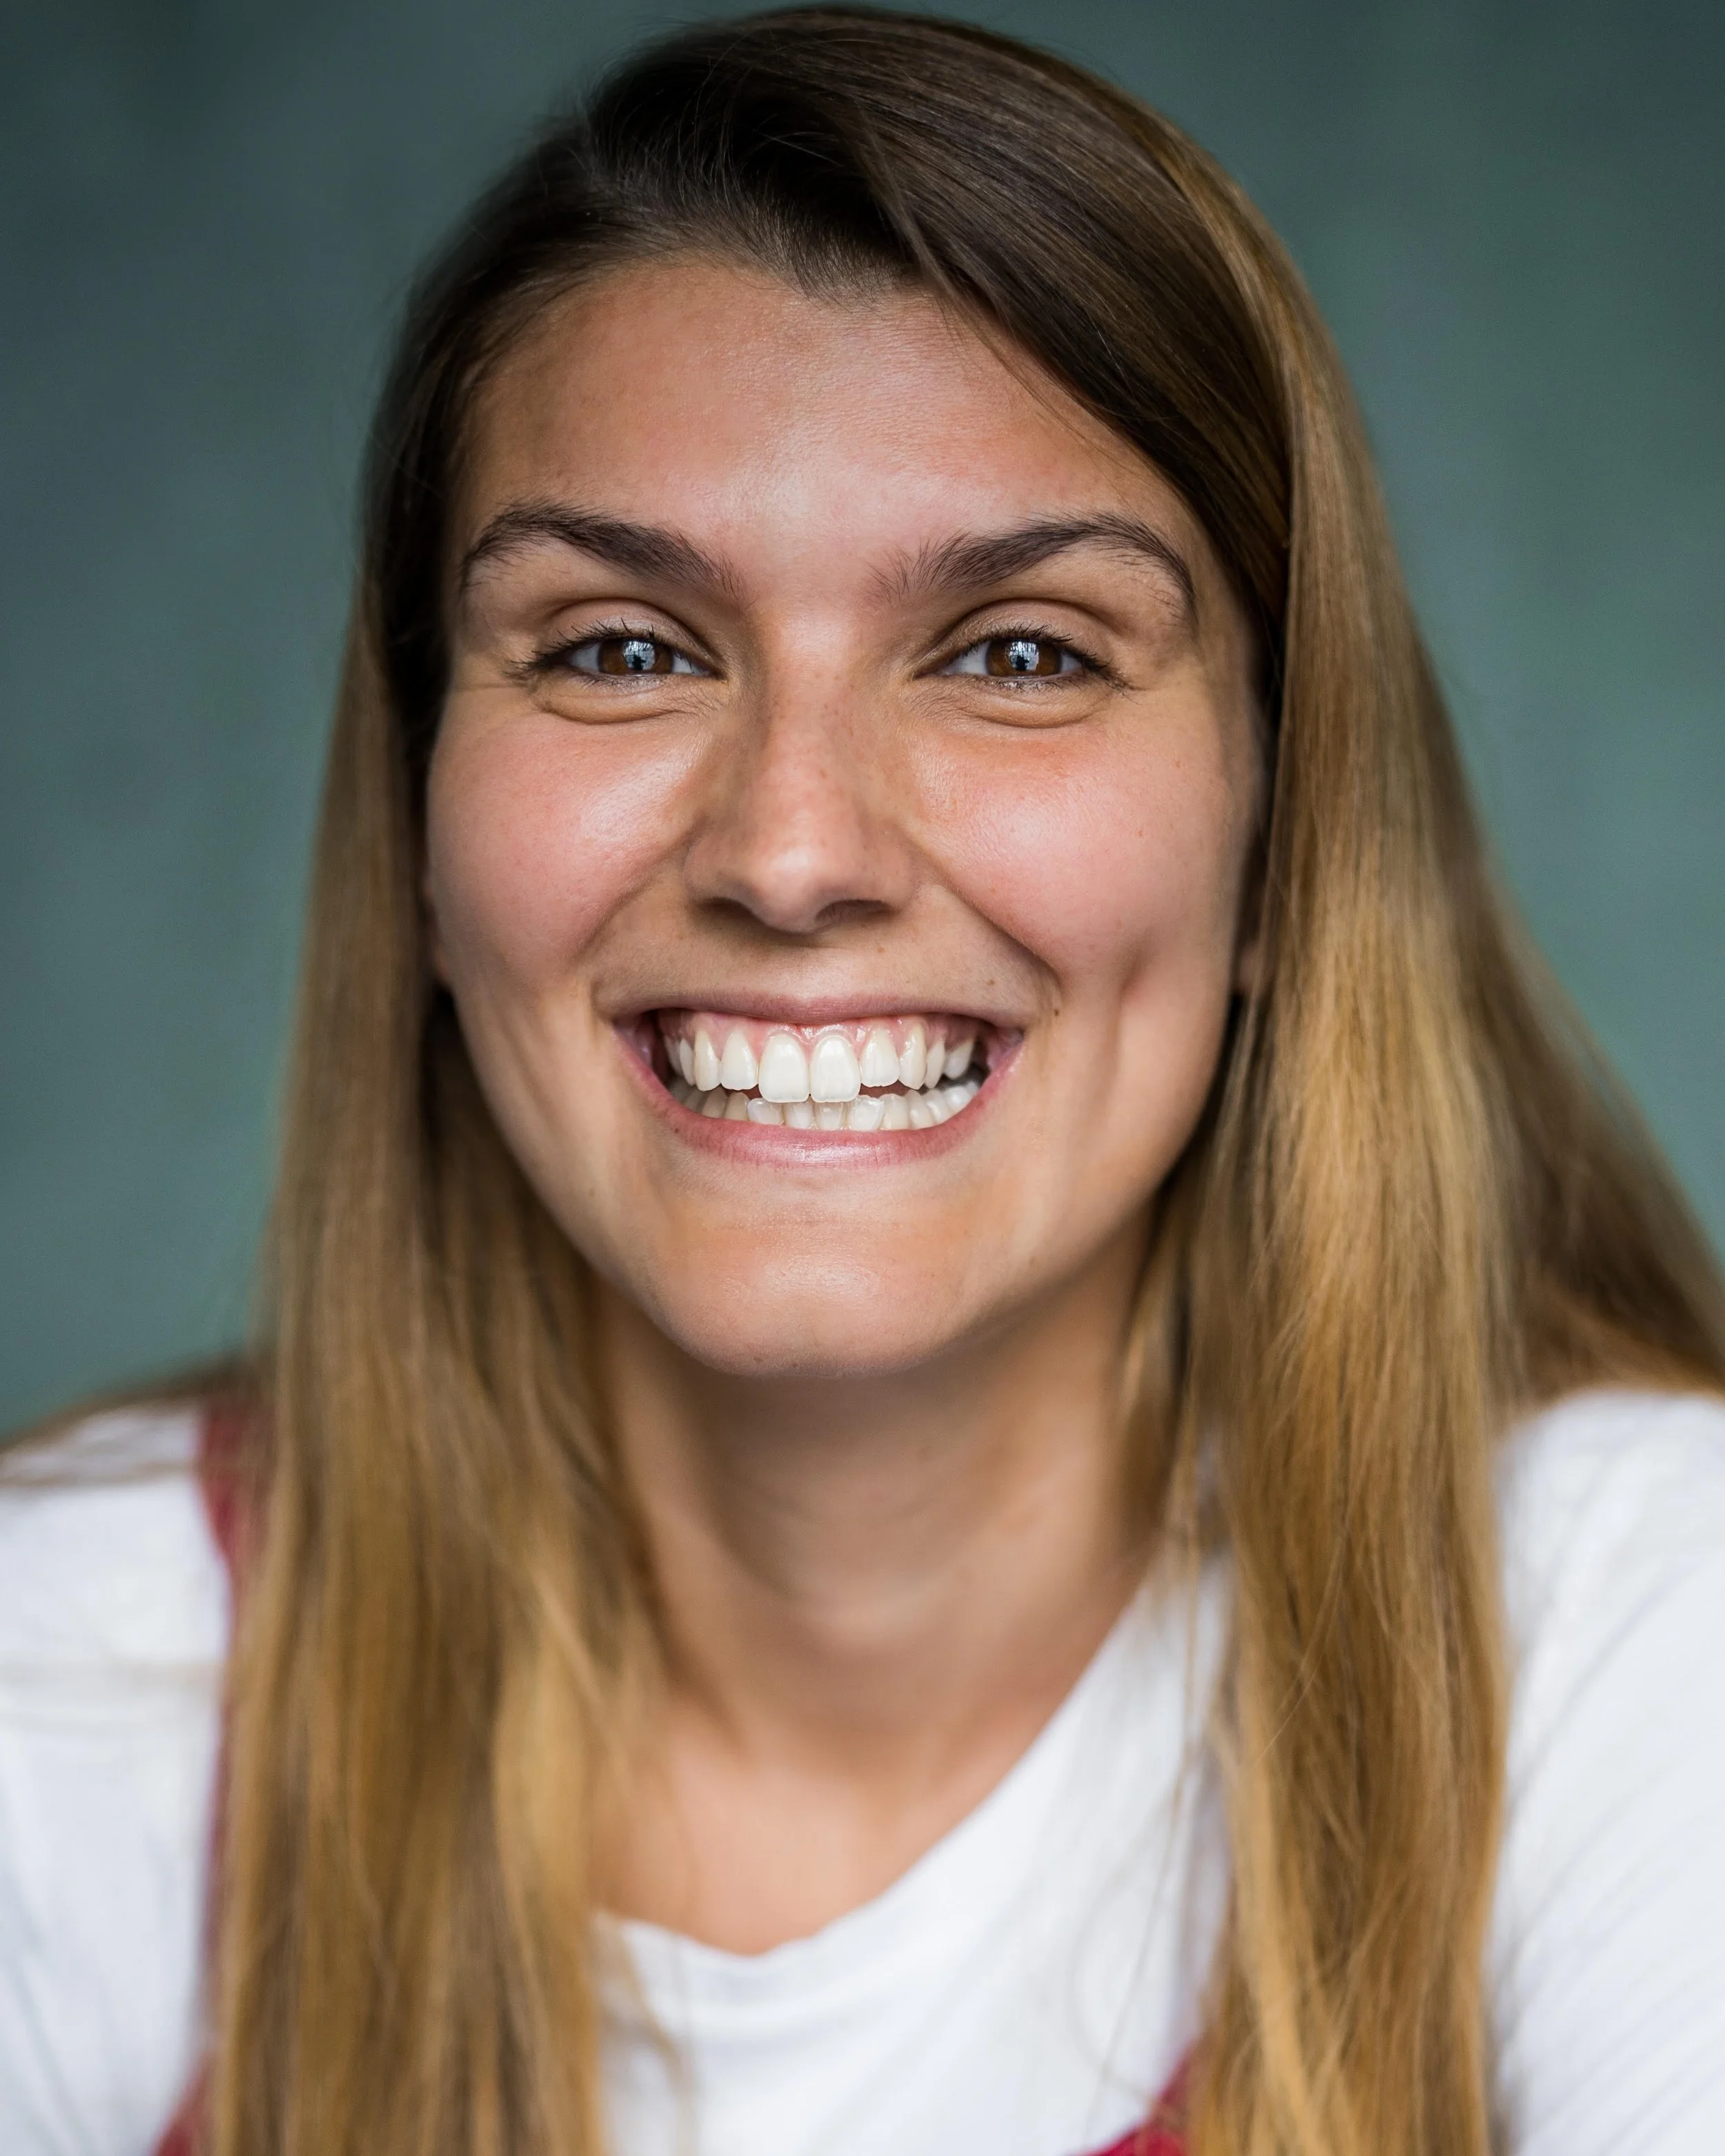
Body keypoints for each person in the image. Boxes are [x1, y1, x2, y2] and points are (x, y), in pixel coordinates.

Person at [3, 10, 1724, 2155]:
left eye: (1021, 653)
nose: (793, 854)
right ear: (422, 844)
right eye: (620, 646)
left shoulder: (1636, 1626)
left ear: (1285, 840)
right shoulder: (71, 1676)